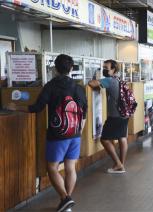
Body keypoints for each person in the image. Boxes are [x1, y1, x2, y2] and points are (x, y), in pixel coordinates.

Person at [7, 54, 88, 212]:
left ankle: (65, 198)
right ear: (71, 69)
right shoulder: (78, 87)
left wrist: (15, 107)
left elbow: (37, 108)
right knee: (70, 167)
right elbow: (84, 111)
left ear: (55, 69)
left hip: (58, 135)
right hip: (75, 133)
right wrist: (80, 131)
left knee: (52, 168)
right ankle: (66, 203)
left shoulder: (50, 86)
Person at [88, 60, 128, 174]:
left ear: (113, 70)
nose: (104, 69)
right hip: (124, 113)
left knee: (104, 139)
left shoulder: (109, 80)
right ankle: (121, 165)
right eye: (103, 67)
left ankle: (118, 164)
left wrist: (95, 78)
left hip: (115, 115)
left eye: (107, 67)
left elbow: (91, 84)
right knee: (122, 138)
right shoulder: (120, 80)